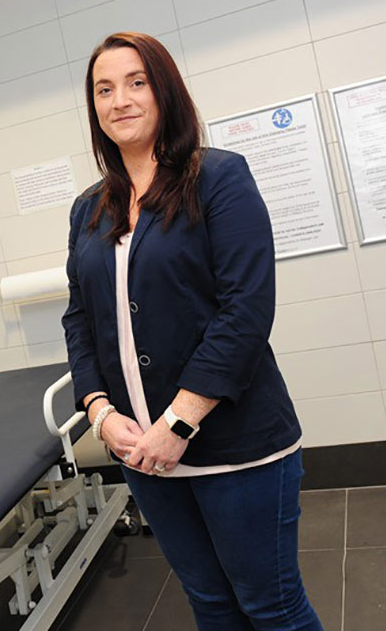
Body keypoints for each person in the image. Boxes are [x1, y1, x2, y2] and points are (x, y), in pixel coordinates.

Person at [62, 31, 324, 631]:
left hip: (235, 447)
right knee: (209, 603)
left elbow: (246, 311)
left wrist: (179, 422)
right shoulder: (89, 208)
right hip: (144, 454)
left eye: (136, 82)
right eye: (104, 89)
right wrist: (100, 413)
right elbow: (80, 318)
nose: (119, 100)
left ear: (165, 91)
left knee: (271, 606)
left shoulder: (218, 179)